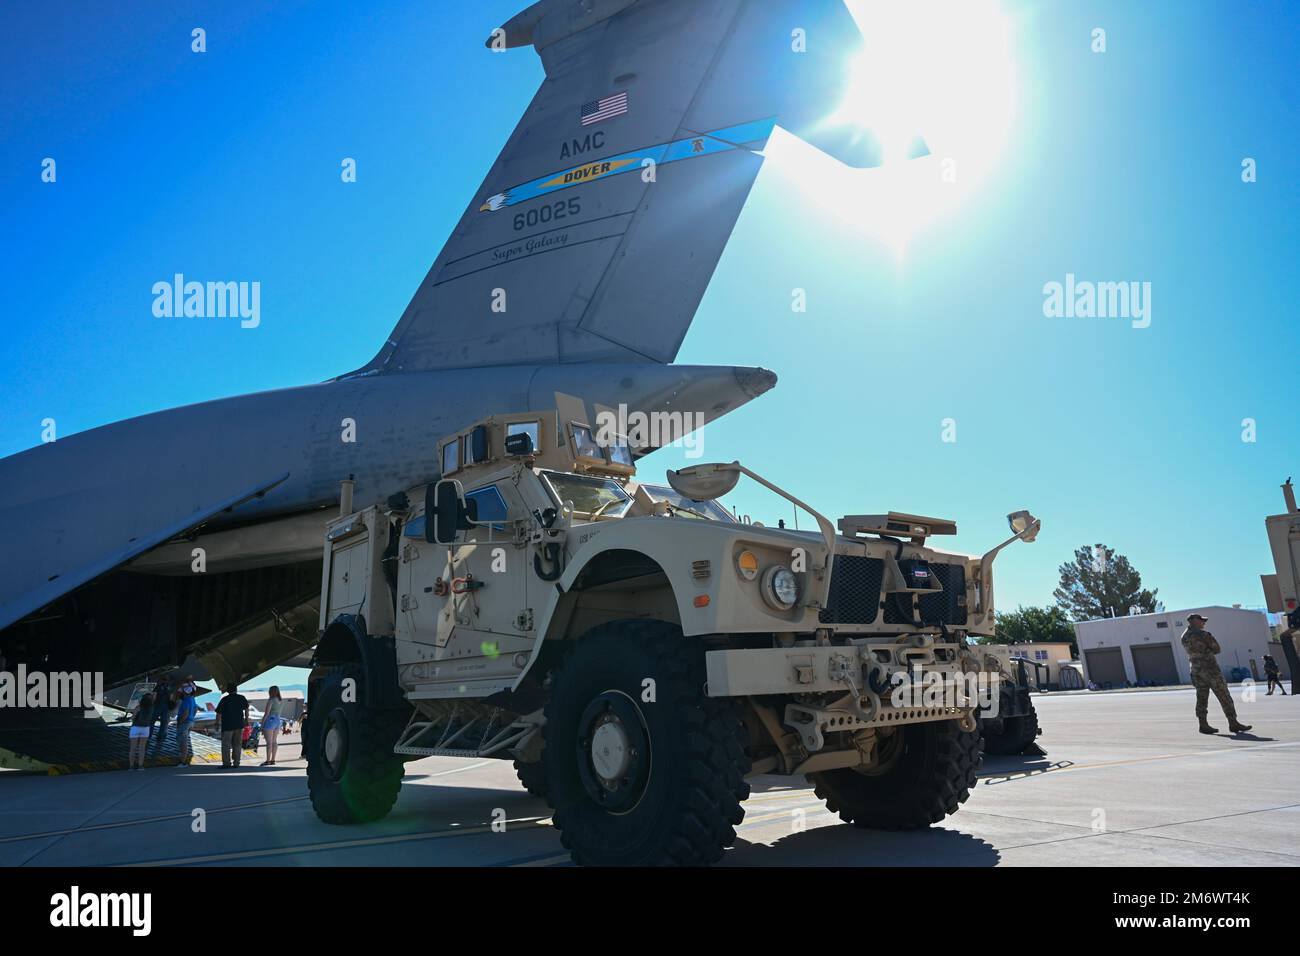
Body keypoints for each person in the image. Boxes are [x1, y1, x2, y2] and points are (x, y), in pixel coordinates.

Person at [1180, 613, 1252, 735]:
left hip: (1196, 670)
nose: (1204, 623)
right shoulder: (1203, 634)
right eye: (1201, 620)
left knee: (1201, 697)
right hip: (1210, 669)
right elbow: (1217, 649)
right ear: (1194, 621)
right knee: (1224, 695)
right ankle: (1233, 722)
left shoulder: (1184, 636)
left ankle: (1203, 724)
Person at [217, 684, 250, 768]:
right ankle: (236, 762)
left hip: (227, 725)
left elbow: (218, 712)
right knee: (237, 744)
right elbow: (246, 709)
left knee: (226, 745)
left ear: (228, 691)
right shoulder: (241, 698)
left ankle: (226, 763)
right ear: (236, 689)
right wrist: (246, 719)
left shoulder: (224, 699)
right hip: (239, 725)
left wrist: (217, 723)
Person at [174, 676, 199, 763]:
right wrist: (191, 718)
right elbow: (195, 709)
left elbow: (185, 713)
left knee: (183, 743)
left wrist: (179, 722)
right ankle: (183, 760)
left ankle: (183, 761)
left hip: (184, 723)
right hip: (190, 722)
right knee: (185, 741)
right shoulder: (192, 699)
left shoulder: (185, 700)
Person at [148, 675, 174, 756]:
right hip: (165, 707)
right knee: (164, 723)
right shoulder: (169, 688)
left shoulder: (158, 687)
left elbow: (154, 696)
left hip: (157, 706)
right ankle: (160, 737)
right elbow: (171, 698)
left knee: (151, 722)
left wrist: (151, 704)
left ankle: (149, 736)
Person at [128, 692, 155, 770]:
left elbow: (133, 718)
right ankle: (140, 765)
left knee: (133, 748)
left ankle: (131, 766)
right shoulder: (152, 707)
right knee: (142, 748)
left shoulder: (138, 707)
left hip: (136, 728)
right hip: (145, 728)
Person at [260, 686, 286, 766]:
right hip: (278, 720)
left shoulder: (271, 700)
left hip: (271, 719)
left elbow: (266, 713)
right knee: (274, 741)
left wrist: (262, 724)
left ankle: (267, 760)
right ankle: (273, 760)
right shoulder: (281, 700)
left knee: (269, 742)